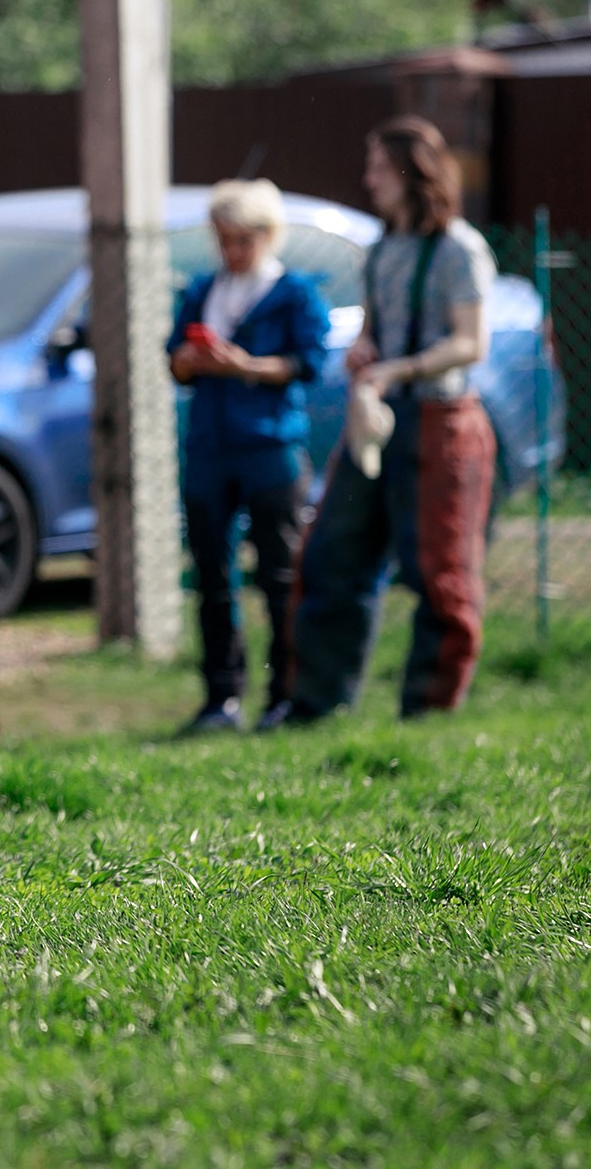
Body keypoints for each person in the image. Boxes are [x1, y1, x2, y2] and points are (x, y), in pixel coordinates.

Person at [287, 117, 498, 722]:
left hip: (442, 421)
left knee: (440, 570)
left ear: (412, 171)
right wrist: (365, 350)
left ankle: (428, 710)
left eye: (379, 167)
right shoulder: (381, 251)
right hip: (378, 421)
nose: (368, 179)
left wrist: (396, 369)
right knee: (332, 555)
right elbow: (375, 332)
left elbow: (469, 343)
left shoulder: (460, 248)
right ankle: (317, 704)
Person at [167, 180, 331, 734]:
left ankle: (284, 695)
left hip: (269, 448)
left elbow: (308, 363)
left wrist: (246, 366)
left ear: (265, 235)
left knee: (279, 576)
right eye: (222, 239)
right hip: (211, 447)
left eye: (239, 239)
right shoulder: (201, 290)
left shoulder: (295, 293)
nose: (230, 251)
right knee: (212, 576)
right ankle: (221, 698)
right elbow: (174, 362)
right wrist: (190, 360)